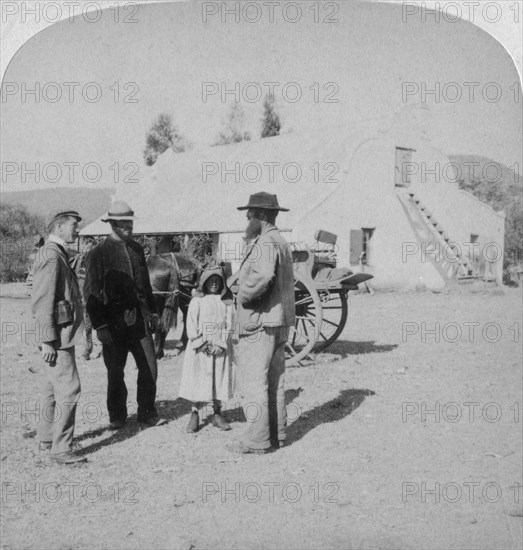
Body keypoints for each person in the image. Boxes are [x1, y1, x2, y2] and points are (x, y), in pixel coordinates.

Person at [83, 201, 165, 428]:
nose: (129, 227)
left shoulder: (137, 250)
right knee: (115, 372)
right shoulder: (98, 253)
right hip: (113, 324)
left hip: (139, 321)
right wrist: (100, 326)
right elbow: (91, 292)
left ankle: (147, 412)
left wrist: (153, 314)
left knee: (150, 366)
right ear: (113, 224)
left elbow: (145, 288)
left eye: (130, 222)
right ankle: (117, 415)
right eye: (124, 223)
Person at [227, 192, 295, 454]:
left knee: (254, 382)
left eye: (251, 213)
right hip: (278, 322)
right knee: (275, 380)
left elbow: (263, 276)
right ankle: (276, 434)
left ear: (263, 216)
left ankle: (257, 440)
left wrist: (242, 294)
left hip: (260, 322)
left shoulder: (266, 242)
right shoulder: (281, 241)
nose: (247, 217)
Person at [31, 210, 87, 464]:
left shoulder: (56, 253)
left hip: (60, 334)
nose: (77, 230)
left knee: (51, 389)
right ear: (60, 227)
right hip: (58, 337)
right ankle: (62, 449)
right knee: (69, 388)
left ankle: (46, 439)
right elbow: (43, 299)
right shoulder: (52, 256)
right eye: (74, 225)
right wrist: (47, 340)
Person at [178, 266, 235, 433]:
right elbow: (191, 325)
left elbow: (230, 325)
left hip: (218, 349)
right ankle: (195, 414)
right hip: (200, 350)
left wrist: (221, 344)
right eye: (211, 280)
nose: (214, 283)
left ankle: (217, 414)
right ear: (205, 282)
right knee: (198, 380)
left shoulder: (227, 303)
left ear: (222, 283)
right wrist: (201, 344)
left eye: (217, 280)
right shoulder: (197, 301)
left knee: (218, 380)